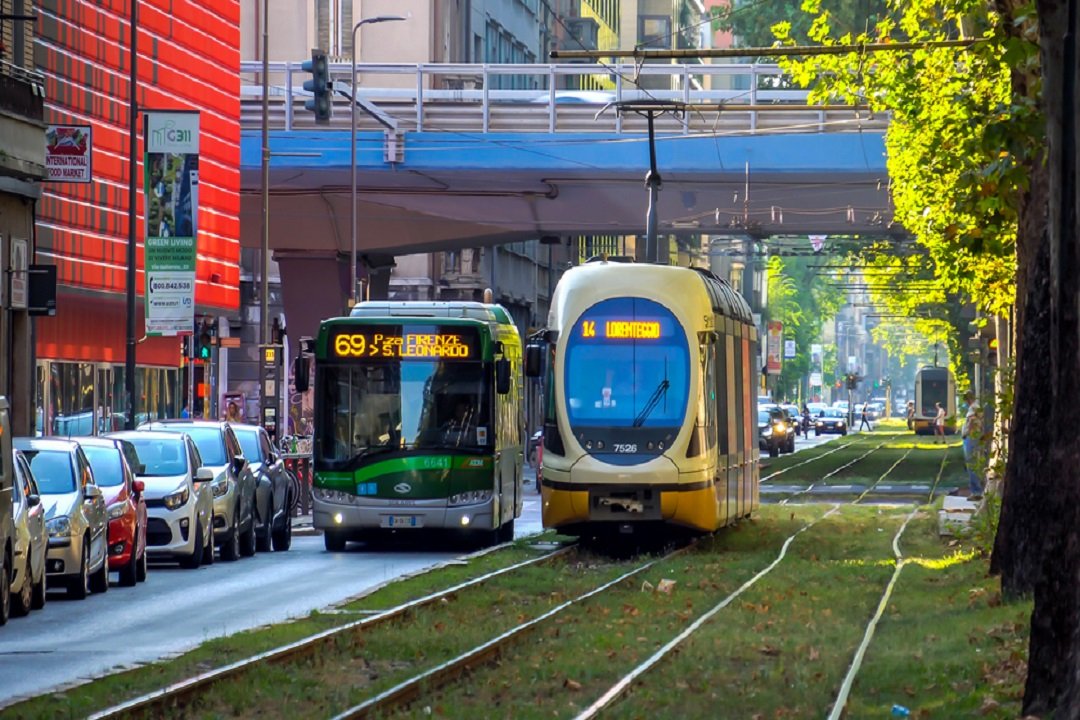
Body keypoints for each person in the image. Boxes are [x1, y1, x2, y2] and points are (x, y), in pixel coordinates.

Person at [961, 391, 984, 500]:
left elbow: (971, 420)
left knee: (971, 464)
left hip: (971, 437)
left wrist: (967, 433)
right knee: (973, 463)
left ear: (968, 399)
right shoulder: (977, 407)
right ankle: (977, 491)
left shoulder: (973, 407)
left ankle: (976, 492)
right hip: (975, 436)